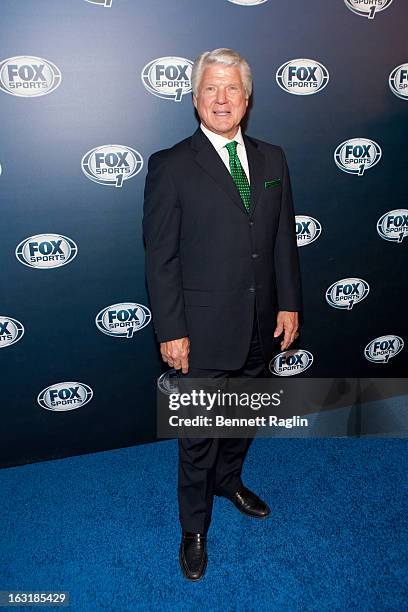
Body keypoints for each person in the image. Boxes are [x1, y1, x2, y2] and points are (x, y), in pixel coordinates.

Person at [142, 48, 302, 581]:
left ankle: (228, 481)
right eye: (211, 88)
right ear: (194, 99)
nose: (222, 99)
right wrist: (172, 330)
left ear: (248, 98)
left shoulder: (274, 159)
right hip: (202, 331)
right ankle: (194, 528)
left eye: (231, 88)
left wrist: (289, 302)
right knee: (198, 436)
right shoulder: (170, 166)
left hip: (261, 324)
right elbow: (161, 257)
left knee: (243, 417)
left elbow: (283, 239)